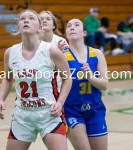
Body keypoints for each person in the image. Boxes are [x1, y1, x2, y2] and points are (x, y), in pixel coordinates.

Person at [0, 9, 72, 150]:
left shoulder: (51, 50)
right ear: (18, 26)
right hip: (22, 115)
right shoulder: (10, 52)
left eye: (31, 18)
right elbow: (7, 79)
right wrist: (1, 99)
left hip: (49, 113)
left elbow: (67, 79)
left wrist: (60, 103)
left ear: (40, 27)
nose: (26, 20)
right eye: (22, 18)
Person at [63, 18, 108, 150]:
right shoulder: (61, 55)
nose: (72, 27)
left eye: (76, 25)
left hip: (95, 109)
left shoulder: (97, 54)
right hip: (72, 111)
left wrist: (90, 77)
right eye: (69, 25)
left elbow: (104, 85)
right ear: (65, 33)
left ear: (84, 32)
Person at [39, 10, 69, 92]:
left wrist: (59, 55)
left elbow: (67, 68)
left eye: (48, 19)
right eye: (41, 19)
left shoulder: (61, 41)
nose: (44, 21)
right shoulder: (31, 42)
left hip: (55, 87)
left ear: (54, 26)